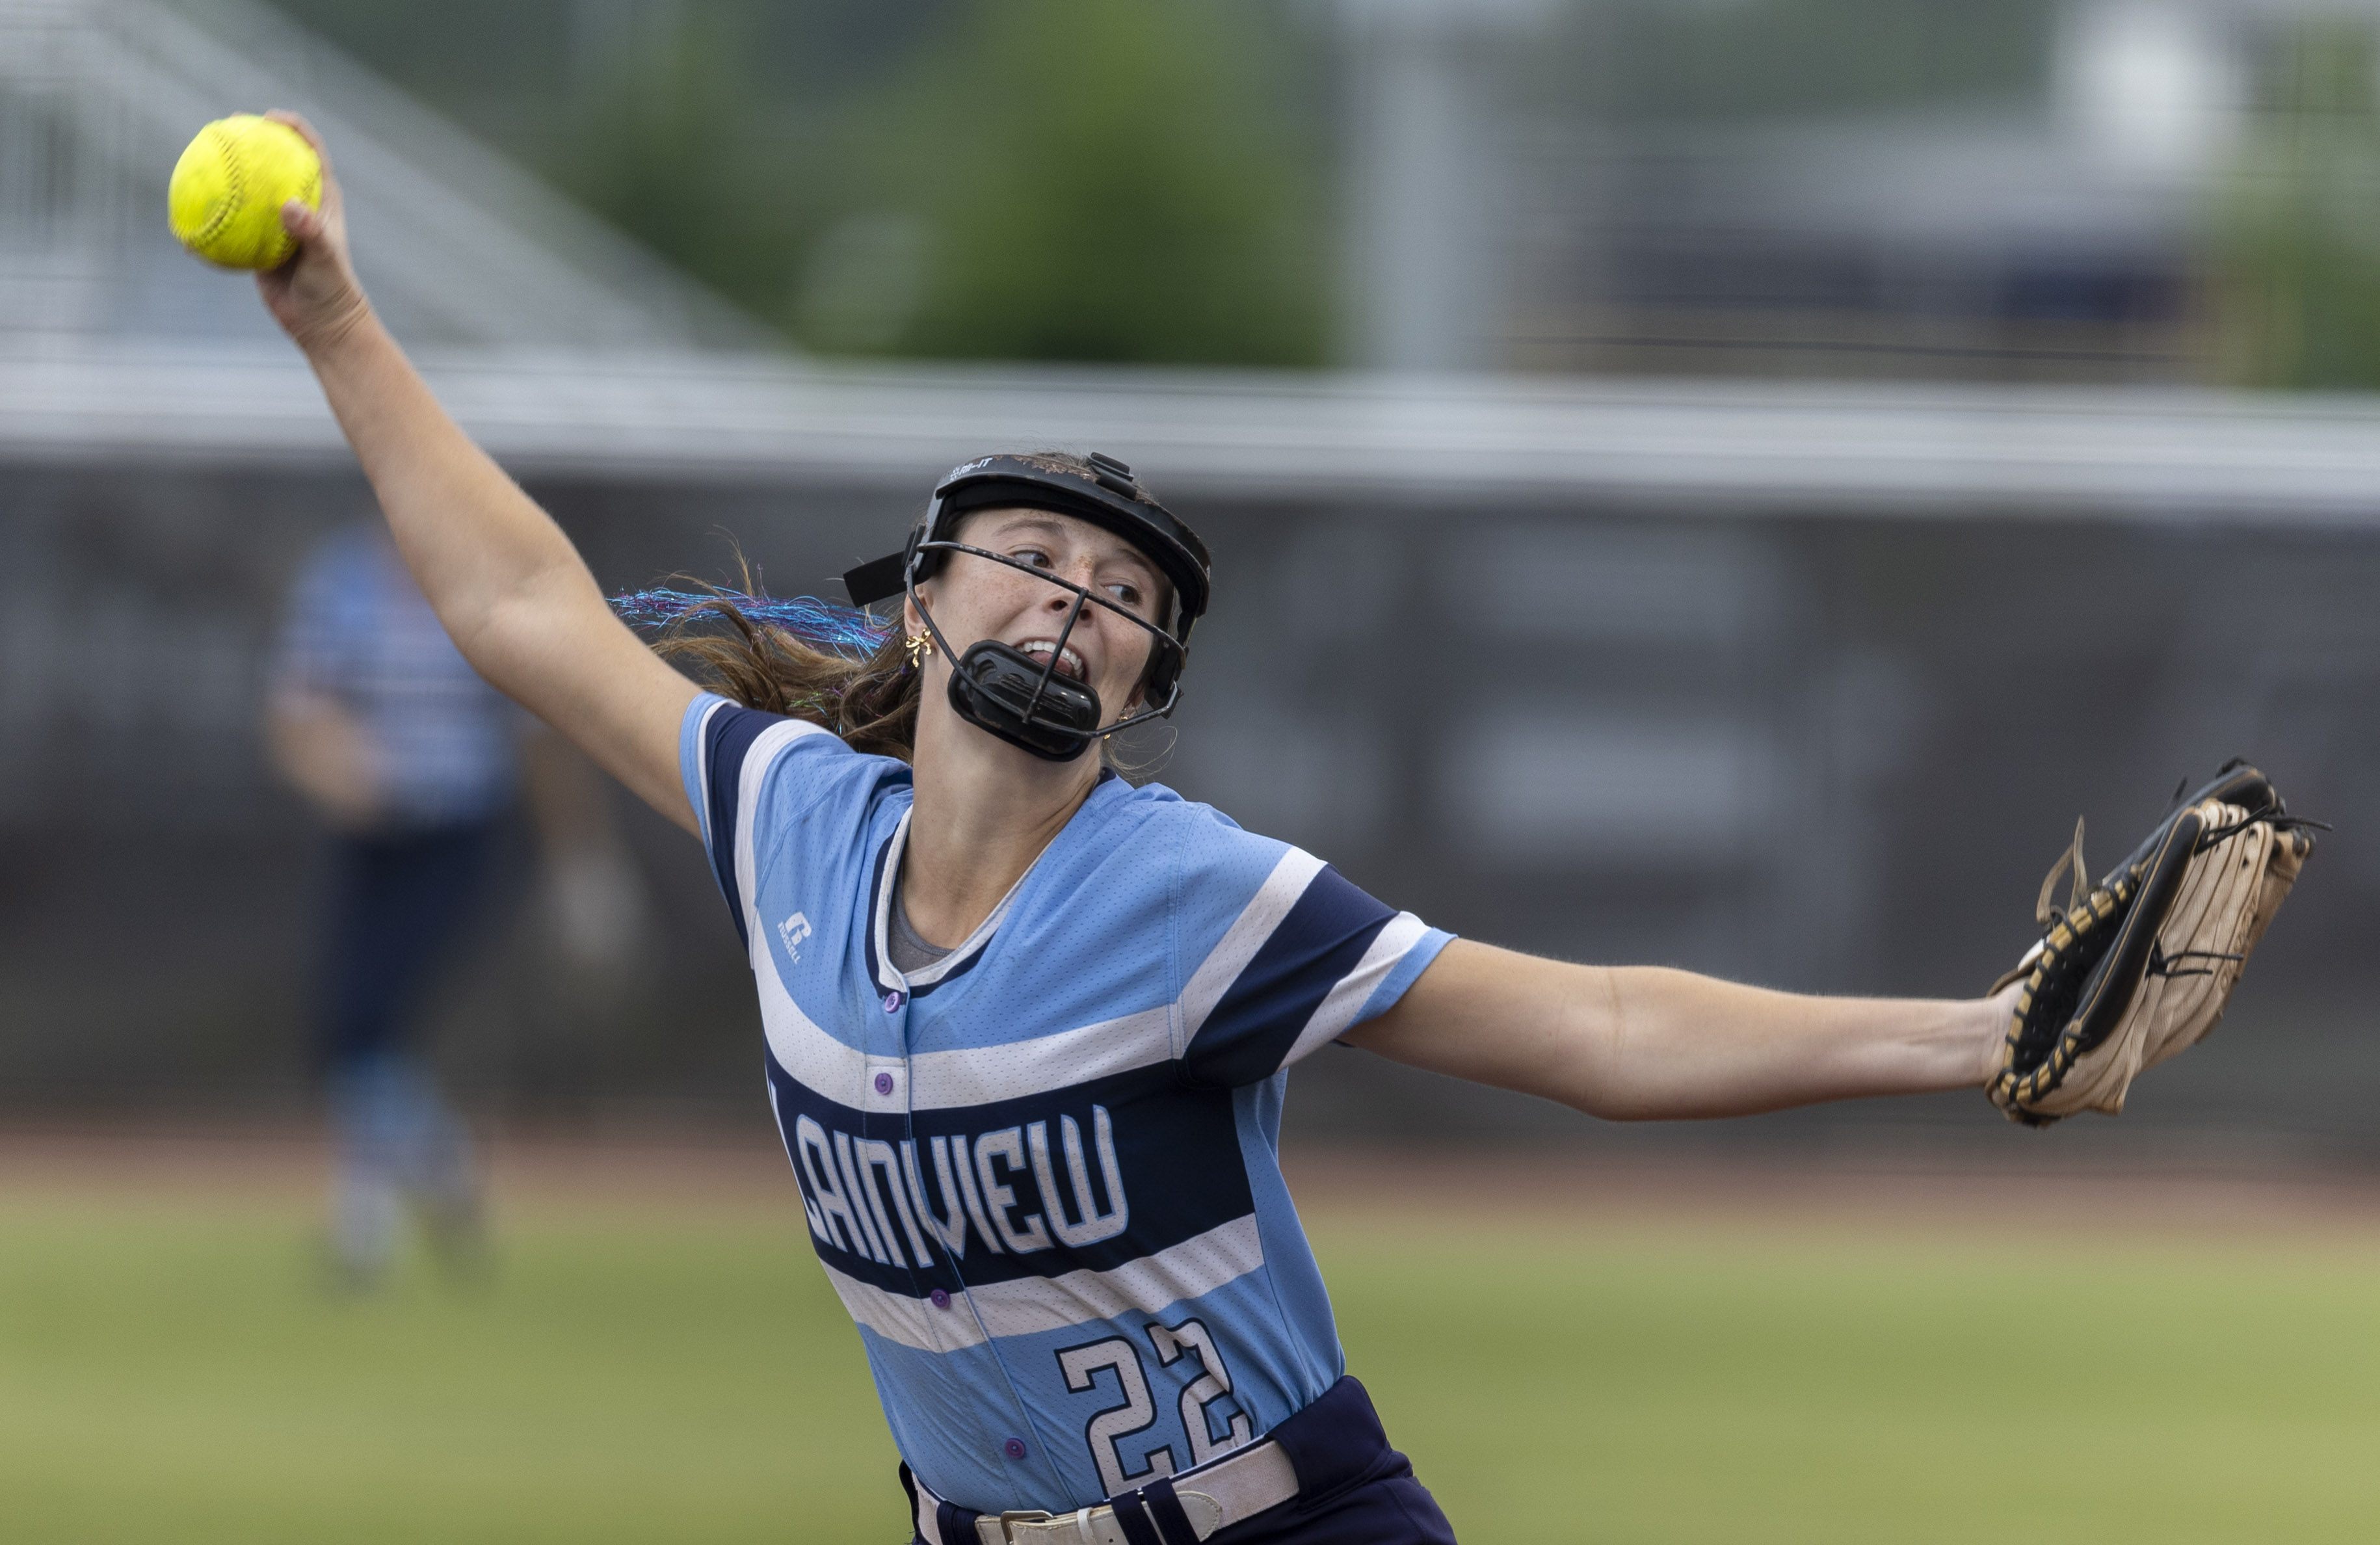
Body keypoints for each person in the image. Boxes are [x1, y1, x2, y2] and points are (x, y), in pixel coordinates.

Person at [251, 113, 2012, 1542]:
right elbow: (522, 609)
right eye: (1030, 558)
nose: (1076, 600)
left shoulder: (1185, 895)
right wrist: (334, 318)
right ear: (922, 602)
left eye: (1123, 595)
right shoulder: (791, 821)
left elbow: (1598, 1025)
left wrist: (1972, 1035)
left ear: (1142, 679)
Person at [267, 520, 650, 1289]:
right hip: (370, 838)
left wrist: (582, 864)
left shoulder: (478, 592)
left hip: (458, 834)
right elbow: (296, 716)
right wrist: (337, 768)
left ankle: (366, 1222)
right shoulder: (338, 585)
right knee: (351, 1022)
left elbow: (538, 741)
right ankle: (438, 1171)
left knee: (373, 1017)